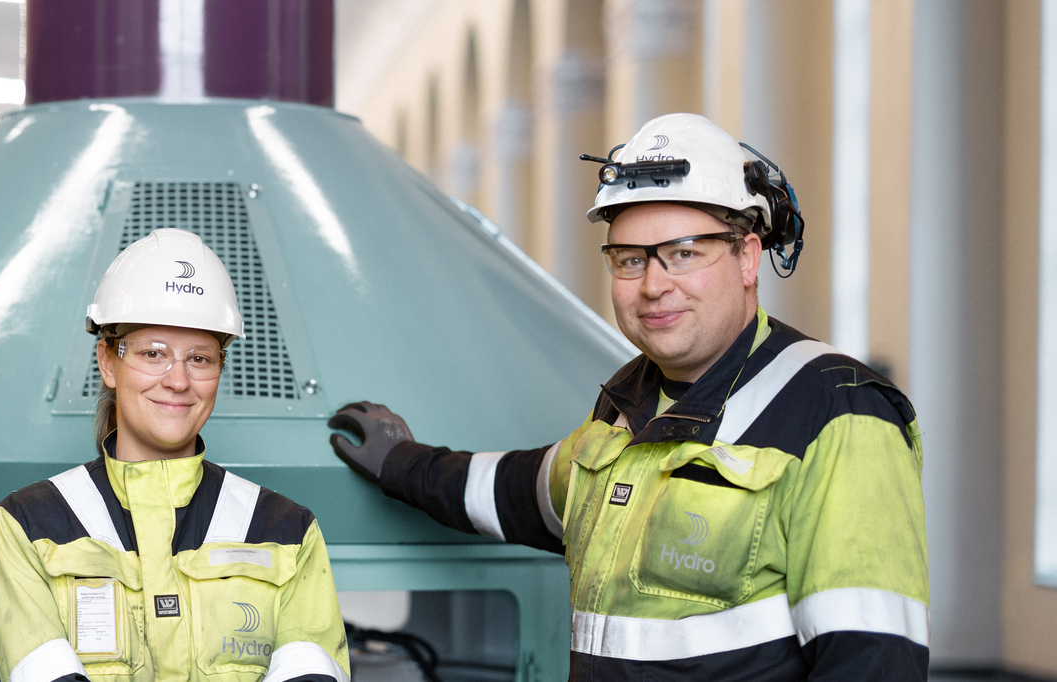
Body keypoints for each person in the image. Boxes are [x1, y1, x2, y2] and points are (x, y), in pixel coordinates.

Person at [327, 113, 928, 680]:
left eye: (684, 253)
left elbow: (873, 661)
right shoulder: (626, 408)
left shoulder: (837, 412)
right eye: (630, 260)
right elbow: (517, 490)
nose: (653, 285)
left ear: (747, 257)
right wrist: (400, 462)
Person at [0, 229, 350, 682]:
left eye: (200, 358)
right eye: (153, 353)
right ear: (107, 362)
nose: (178, 380)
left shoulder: (287, 532)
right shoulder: (30, 525)